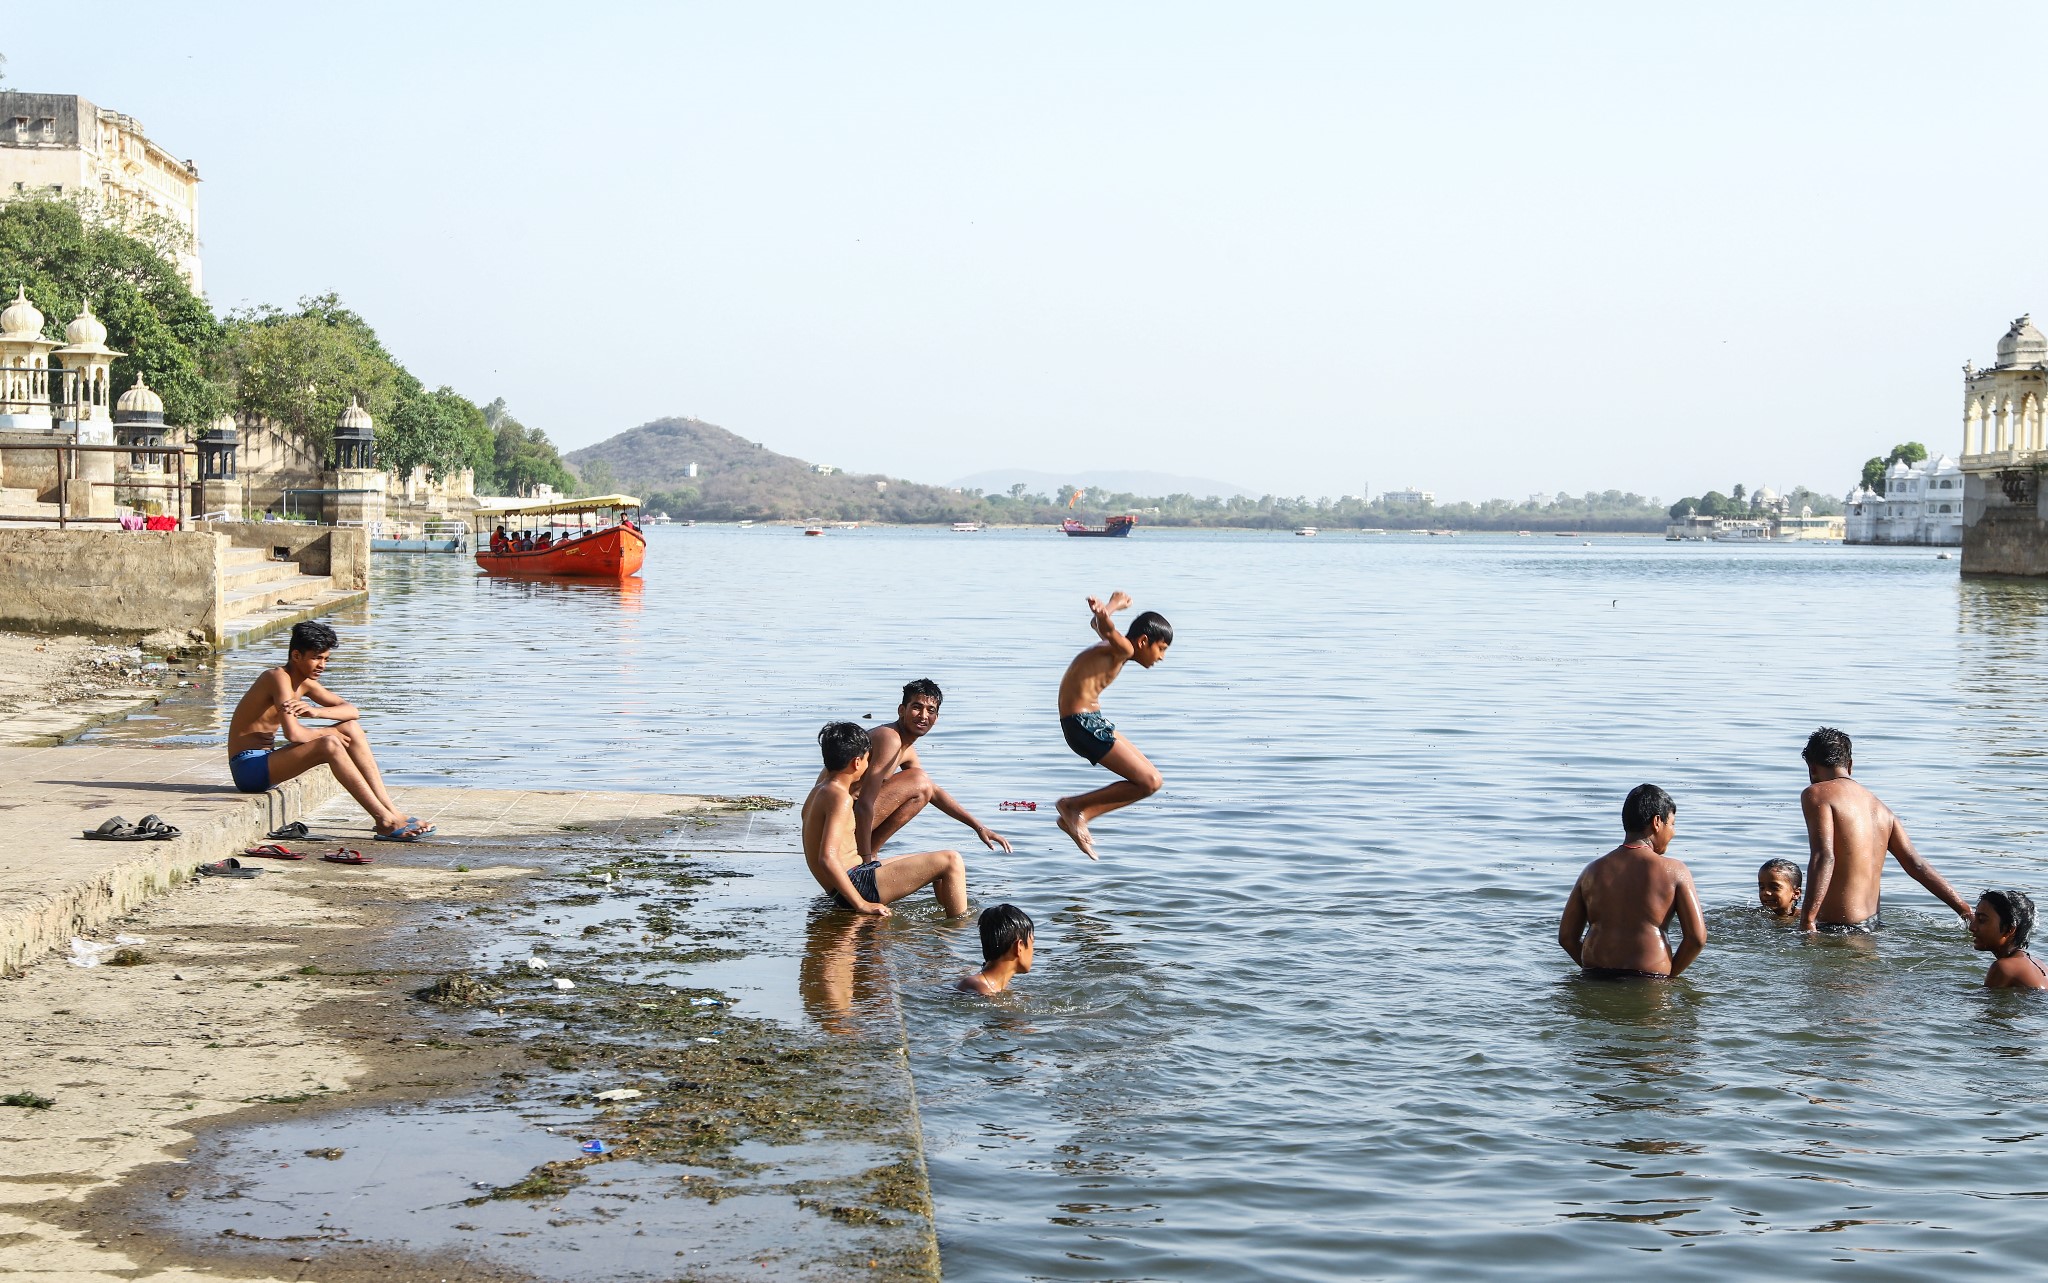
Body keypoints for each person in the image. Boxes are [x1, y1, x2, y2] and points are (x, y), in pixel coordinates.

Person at [224, 621, 433, 841]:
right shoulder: (277, 678)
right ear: (296, 656)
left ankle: (392, 811)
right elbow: (293, 734)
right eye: (316, 658)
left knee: (350, 728)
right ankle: (384, 821)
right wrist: (328, 733)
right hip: (248, 769)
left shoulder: (305, 683)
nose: (322, 665)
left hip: (268, 760)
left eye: (326, 659)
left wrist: (316, 712)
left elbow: (352, 711)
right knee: (329, 743)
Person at [1797, 727, 1971, 933]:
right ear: (1850, 766)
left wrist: (1807, 920)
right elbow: (1917, 865)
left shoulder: (1817, 794)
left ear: (1812, 768)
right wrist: (1965, 910)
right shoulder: (1882, 810)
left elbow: (1824, 856)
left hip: (1837, 928)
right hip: (1873, 925)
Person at [802, 721, 967, 918]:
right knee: (951, 861)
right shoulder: (840, 798)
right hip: (857, 883)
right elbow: (827, 858)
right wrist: (862, 904)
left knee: (934, 862)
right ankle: (958, 932)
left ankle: (944, 923)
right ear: (857, 763)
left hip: (850, 880)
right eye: (867, 760)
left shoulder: (818, 792)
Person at [1053, 592, 1173, 859]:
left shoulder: (1114, 648)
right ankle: (1072, 807)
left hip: (1086, 722)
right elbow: (1104, 626)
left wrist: (1112, 606)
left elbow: (1098, 627)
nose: (1161, 658)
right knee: (1150, 781)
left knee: (1153, 780)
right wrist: (1105, 611)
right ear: (1144, 641)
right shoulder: (1125, 648)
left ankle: (1076, 815)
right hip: (1082, 723)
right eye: (1161, 649)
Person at [1557, 784, 1706, 979]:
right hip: (1650, 981)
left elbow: (1567, 937)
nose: (1674, 833)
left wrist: (1591, 969)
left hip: (1595, 977)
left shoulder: (1591, 871)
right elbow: (1697, 938)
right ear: (1657, 822)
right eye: (1672, 824)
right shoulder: (1676, 871)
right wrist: (1669, 977)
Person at [854, 679, 1011, 864]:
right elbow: (864, 802)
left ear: (936, 718)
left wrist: (978, 827)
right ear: (901, 710)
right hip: (840, 821)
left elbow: (932, 791)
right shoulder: (889, 738)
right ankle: (868, 855)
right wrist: (864, 862)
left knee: (923, 786)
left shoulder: (906, 750)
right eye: (916, 707)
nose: (923, 716)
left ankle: (871, 851)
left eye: (931, 710)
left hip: (851, 819)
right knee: (920, 781)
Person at [1972, 890, 2048, 989]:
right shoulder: (2039, 964)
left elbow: (1982, 1001)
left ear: (2009, 929)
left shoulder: (2003, 968)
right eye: (1975, 918)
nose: (1972, 927)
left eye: (1982, 920)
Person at [957, 903, 1034, 995]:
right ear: (1019, 947)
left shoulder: (998, 987)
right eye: (1032, 943)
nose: (1033, 950)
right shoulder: (977, 986)